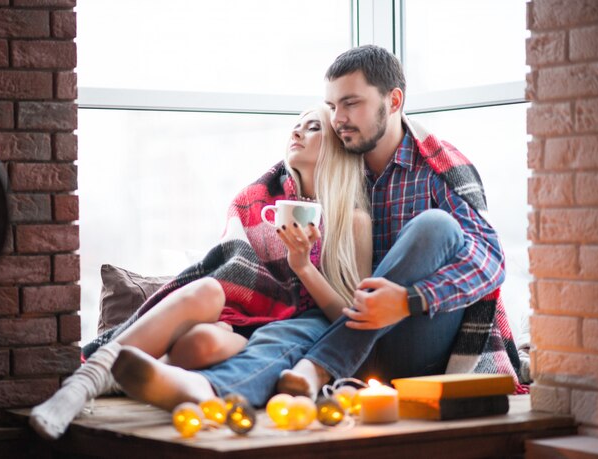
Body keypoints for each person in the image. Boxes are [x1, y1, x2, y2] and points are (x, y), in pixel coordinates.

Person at [102, 44, 521, 416]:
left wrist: (408, 300)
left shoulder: (436, 169)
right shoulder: (339, 175)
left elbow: (489, 259)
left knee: (434, 226)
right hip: (349, 341)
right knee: (299, 325)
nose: (339, 119)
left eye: (351, 103)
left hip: (416, 341)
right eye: (332, 106)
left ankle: (316, 366)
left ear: (393, 101)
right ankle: (204, 389)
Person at [29, 105, 372, 440]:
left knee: (200, 344)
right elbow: (231, 266)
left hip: (279, 332)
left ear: (339, 147)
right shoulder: (257, 200)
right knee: (207, 290)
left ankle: (125, 374)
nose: (297, 131)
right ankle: (84, 383)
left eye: (313, 127)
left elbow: (345, 320)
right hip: (238, 309)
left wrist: (302, 266)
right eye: (296, 125)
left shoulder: (352, 221)